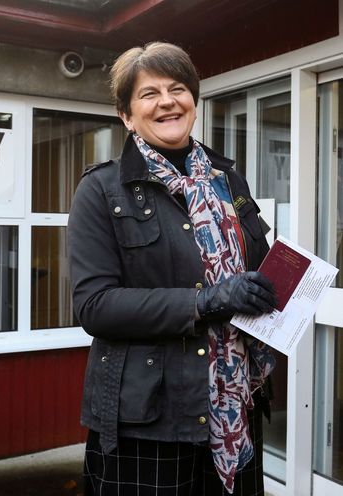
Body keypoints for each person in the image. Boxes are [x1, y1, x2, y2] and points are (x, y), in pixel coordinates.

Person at [67, 42, 278, 496]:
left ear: (193, 103)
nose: (167, 100)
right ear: (126, 115)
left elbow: (255, 264)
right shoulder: (101, 190)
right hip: (149, 421)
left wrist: (280, 288)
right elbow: (95, 306)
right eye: (149, 93)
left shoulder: (227, 180)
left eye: (178, 88)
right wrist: (207, 300)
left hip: (234, 403)